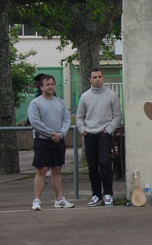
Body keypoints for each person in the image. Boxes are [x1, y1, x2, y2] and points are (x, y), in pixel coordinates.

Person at [27, 75, 74, 210]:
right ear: (41, 87)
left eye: (52, 84)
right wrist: (50, 133)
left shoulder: (60, 103)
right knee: (42, 170)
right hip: (42, 141)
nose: (50, 86)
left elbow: (66, 120)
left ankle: (59, 200)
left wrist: (60, 134)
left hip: (58, 141)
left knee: (57, 169)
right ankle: (36, 201)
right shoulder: (35, 103)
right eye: (47, 84)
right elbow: (35, 122)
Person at [76, 68, 122, 207]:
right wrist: (83, 129)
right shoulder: (85, 96)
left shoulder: (112, 95)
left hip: (104, 134)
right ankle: (96, 195)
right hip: (89, 134)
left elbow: (117, 116)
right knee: (92, 166)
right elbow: (79, 116)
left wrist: (108, 130)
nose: (97, 79)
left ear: (103, 78)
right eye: (94, 77)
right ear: (90, 79)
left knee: (104, 162)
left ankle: (108, 194)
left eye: (100, 76)